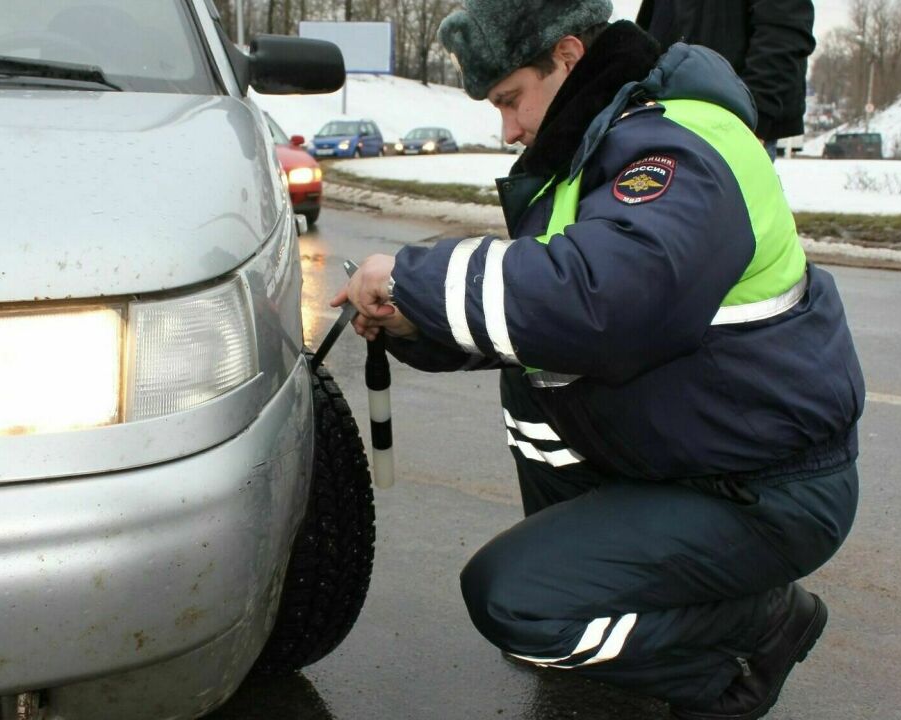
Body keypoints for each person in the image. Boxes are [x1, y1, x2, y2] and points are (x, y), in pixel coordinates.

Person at [332, 1, 864, 718]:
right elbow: (539, 318)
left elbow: (597, 305)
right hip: (698, 456)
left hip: (766, 487)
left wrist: (409, 276)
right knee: (533, 380)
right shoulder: (596, 152)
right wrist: (409, 323)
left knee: (516, 604)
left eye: (511, 100)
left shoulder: (678, 146)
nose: (509, 129)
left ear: (570, 56)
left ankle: (753, 635)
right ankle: (601, 591)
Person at [636, 0, 815, 161]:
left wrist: (755, 119)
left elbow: (783, 32)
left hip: (735, 127)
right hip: (661, 118)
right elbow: (652, 25)